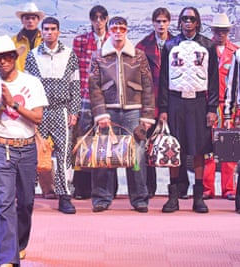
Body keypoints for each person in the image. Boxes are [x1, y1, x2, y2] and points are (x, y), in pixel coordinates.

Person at [0, 34, 48, 267]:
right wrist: (1, 105)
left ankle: (19, 244)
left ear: (15, 57)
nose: (3, 61)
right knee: (5, 203)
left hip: (27, 149)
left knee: (26, 202)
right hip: (2, 148)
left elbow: (37, 117)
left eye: (7, 57)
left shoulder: (32, 83)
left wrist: (15, 104)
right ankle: (8, 257)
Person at [89, 16, 154, 213]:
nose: (118, 31)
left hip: (133, 111)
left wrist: (147, 116)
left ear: (126, 31)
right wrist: (100, 113)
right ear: (109, 31)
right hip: (108, 111)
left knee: (137, 156)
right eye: (115, 28)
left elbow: (148, 86)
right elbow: (94, 87)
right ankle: (101, 197)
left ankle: (139, 198)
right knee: (104, 154)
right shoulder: (99, 55)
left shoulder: (138, 55)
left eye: (122, 28)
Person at [159, 6, 219, 213]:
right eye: (184, 19)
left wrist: (212, 108)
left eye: (191, 19)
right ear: (180, 22)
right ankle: (173, 197)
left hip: (198, 103)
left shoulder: (208, 46)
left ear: (197, 22)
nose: (187, 22)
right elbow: (163, 80)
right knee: (174, 149)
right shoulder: (169, 46)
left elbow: (213, 79)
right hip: (175, 102)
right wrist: (163, 108)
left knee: (199, 150)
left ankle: (198, 197)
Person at [25, 16, 81, 214]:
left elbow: (76, 84)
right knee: (32, 153)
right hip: (39, 110)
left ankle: (64, 196)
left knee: (64, 154)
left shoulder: (69, 54)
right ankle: (27, 197)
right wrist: (29, 112)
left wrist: (74, 110)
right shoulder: (32, 55)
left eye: (53, 29)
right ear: (42, 32)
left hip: (61, 110)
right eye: (46, 29)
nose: (49, 32)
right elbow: (28, 86)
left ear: (58, 31)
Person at [136, 7, 192, 199]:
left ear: (169, 23)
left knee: (176, 144)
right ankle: (148, 187)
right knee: (146, 146)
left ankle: (179, 187)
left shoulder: (180, 44)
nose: (161, 25)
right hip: (150, 102)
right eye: (157, 21)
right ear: (153, 23)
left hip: (175, 102)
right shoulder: (142, 46)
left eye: (164, 21)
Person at [12, 2, 54, 199]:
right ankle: (24, 188)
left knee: (45, 142)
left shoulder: (45, 40)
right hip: (20, 95)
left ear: (38, 20)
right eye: (27, 17)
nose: (30, 20)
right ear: (22, 20)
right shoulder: (13, 42)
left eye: (33, 17)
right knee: (22, 142)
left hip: (43, 96)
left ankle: (48, 187)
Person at [72, 5, 110, 200]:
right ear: (91, 20)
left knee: (105, 141)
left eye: (101, 18)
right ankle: (82, 187)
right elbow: (74, 71)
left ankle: (104, 188)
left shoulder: (113, 40)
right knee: (84, 140)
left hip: (107, 98)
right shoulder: (80, 41)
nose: (98, 21)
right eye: (95, 18)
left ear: (106, 19)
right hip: (85, 95)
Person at [202, 13, 238, 201]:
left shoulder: (236, 52)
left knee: (229, 147)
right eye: (217, 30)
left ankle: (229, 188)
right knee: (208, 147)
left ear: (229, 31)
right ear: (212, 31)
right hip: (208, 106)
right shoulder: (204, 50)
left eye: (224, 30)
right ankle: (207, 188)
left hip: (229, 107)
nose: (220, 34)